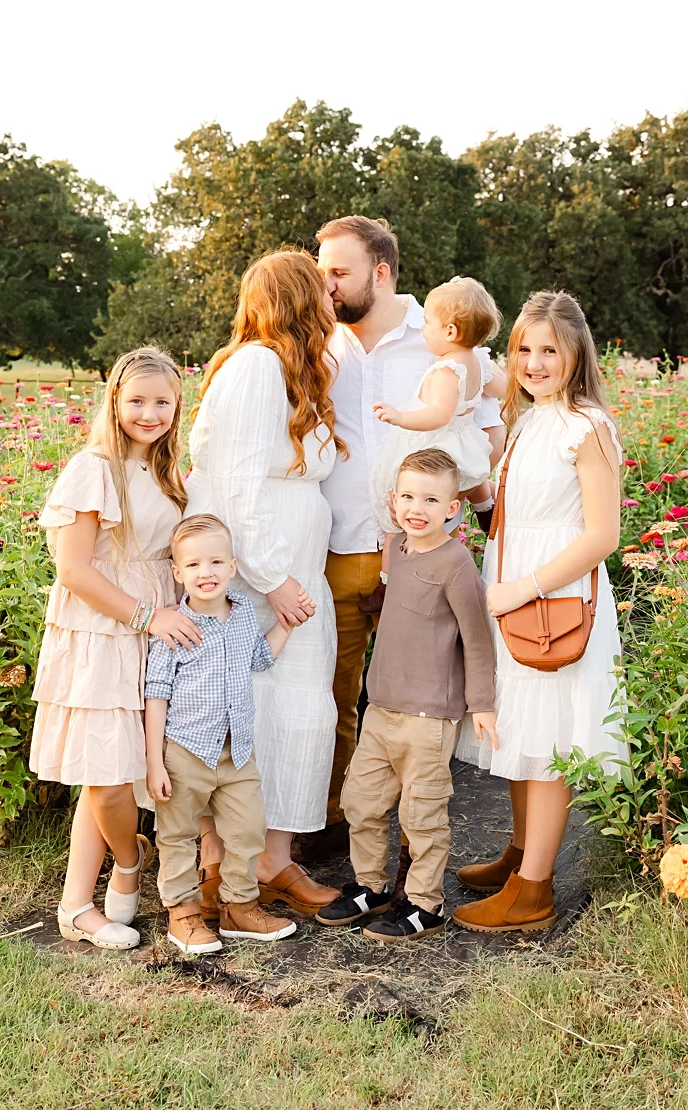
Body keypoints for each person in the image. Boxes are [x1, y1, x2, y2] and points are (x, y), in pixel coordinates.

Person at [314, 217, 506, 860]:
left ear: (382, 271)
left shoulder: (444, 339)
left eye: (339, 272)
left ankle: (419, 834)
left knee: (419, 698)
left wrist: (484, 517)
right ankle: (340, 823)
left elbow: (487, 424)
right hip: (339, 546)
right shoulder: (318, 344)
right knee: (336, 693)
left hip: (423, 555)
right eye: (323, 273)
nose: (328, 285)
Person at [452, 290, 627, 934]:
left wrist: (521, 587)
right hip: (512, 594)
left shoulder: (588, 427)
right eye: (523, 348)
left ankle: (535, 892)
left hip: (553, 596)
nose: (533, 361)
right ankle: (520, 854)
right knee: (521, 727)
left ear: (577, 352)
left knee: (550, 737)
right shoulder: (528, 419)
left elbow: (602, 536)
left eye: (549, 349)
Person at [186, 249, 344, 915]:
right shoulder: (253, 367)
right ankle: (222, 867)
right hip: (260, 576)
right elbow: (239, 489)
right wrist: (273, 579)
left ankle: (275, 862)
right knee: (243, 717)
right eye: (322, 285)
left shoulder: (295, 371)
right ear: (299, 299)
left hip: (298, 572)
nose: (334, 294)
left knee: (300, 718)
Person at [32, 348, 202, 951]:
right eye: (137, 401)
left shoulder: (168, 470)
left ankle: (75, 904)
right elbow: (74, 569)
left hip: (159, 626)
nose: (149, 413)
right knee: (105, 777)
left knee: (113, 770)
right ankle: (129, 864)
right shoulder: (94, 467)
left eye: (162, 402)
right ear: (114, 402)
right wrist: (146, 616)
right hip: (106, 628)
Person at [317, 449, 498, 941]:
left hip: (427, 714)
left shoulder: (456, 562)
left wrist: (481, 703)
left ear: (453, 509)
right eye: (409, 496)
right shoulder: (395, 548)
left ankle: (424, 902)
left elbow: (477, 637)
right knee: (363, 801)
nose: (418, 507)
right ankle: (370, 886)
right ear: (393, 501)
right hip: (381, 706)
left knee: (421, 812)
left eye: (431, 499)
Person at [145, 515, 302, 953]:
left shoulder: (243, 614)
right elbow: (155, 694)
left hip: (237, 750)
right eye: (193, 565)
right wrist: (154, 761)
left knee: (248, 829)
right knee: (176, 834)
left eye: (215, 561)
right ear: (177, 573)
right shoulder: (175, 625)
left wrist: (285, 627)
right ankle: (184, 914)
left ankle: (238, 907)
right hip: (185, 750)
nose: (205, 572)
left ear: (233, 566)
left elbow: (259, 659)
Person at [366, 277, 508, 539]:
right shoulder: (476, 360)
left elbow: (438, 415)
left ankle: (391, 571)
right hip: (467, 441)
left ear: (451, 332)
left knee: (399, 505)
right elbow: (501, 387)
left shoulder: (447, 370)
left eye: (428, 322)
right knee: (466, 480)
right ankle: (485, 505)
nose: (422, 328)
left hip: (440, 443)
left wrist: (400, 417)